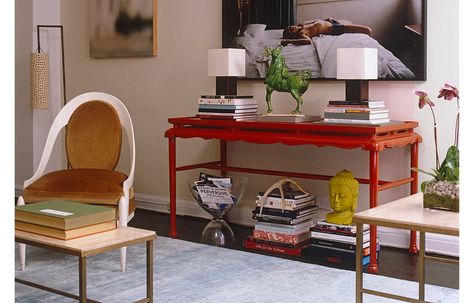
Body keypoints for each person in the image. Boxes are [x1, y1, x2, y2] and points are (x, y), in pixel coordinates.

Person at [281, 18, 372, 46]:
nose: (291, 28)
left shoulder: (301, 24)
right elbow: (308, 41)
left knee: (353, 24)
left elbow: (316, 21)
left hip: (331, 22)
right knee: (367, 30)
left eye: (289, 27)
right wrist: (289, 42)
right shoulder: (302, 34)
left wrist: (326, 19)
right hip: (334, 29)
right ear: (292, 35)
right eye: (290, 30)